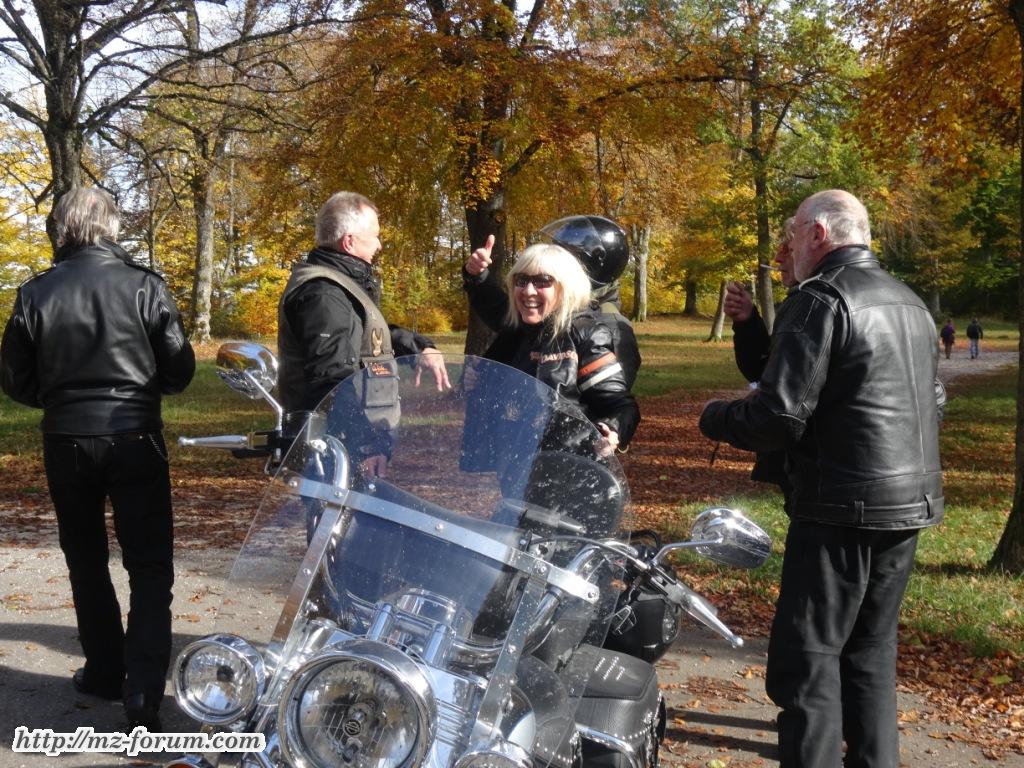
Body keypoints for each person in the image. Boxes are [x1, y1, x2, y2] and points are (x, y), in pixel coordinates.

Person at [698, 189, 943, 768]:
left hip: (839, 508)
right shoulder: (910, 301)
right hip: (907, 504)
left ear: (819, 233)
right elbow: (933, 402)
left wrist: (715, 417)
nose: (788, 247)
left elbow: (778, 416)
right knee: (870, 656)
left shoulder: (820, 298)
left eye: (792, 234)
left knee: (806, 663)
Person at [0, 186, 195, 731]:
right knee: (149, 565)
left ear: (62, 229)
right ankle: (143, 692)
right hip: (134, 435)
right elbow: (179, 369)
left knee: (85, 559)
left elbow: (14, 378)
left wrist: (59, 399)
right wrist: (144, 391)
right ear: (111, 227)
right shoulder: (144, 285)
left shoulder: (36, 292)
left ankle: (107, 672)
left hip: (66, 438)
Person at [277, 191, 450, 478]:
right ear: (350, 241)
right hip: (335, 453)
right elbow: (331, 382)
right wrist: (365, 445)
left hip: (344, 448)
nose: (379, 244)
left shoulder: (339, 286)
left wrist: (419, 347)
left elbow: (369, 335)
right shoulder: (324, 294)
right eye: (375, 236)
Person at [463, 238, 639, 454]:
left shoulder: (583, 334)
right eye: (521, 280)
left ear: (566, 288)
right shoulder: (519, 328)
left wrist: (612, 429)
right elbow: (492, 303)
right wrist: (477, 274)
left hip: (567, 464)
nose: (528, 291)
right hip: (512, 462)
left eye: (543, 281)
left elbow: (620, 405)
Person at [722, 218, 797, 494]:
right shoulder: (799, 302)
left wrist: (720, 418)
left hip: (825, 475)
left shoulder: (817, 305)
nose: (777, 258)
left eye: (788, 248)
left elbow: (787, 394)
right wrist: (747, 322)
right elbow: (762, 369)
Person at [538, 215, 642, 389]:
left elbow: (612, 397)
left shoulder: (612, 328)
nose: (554, 265)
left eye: (563, 258)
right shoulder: (562, 309)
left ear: (591, 264)